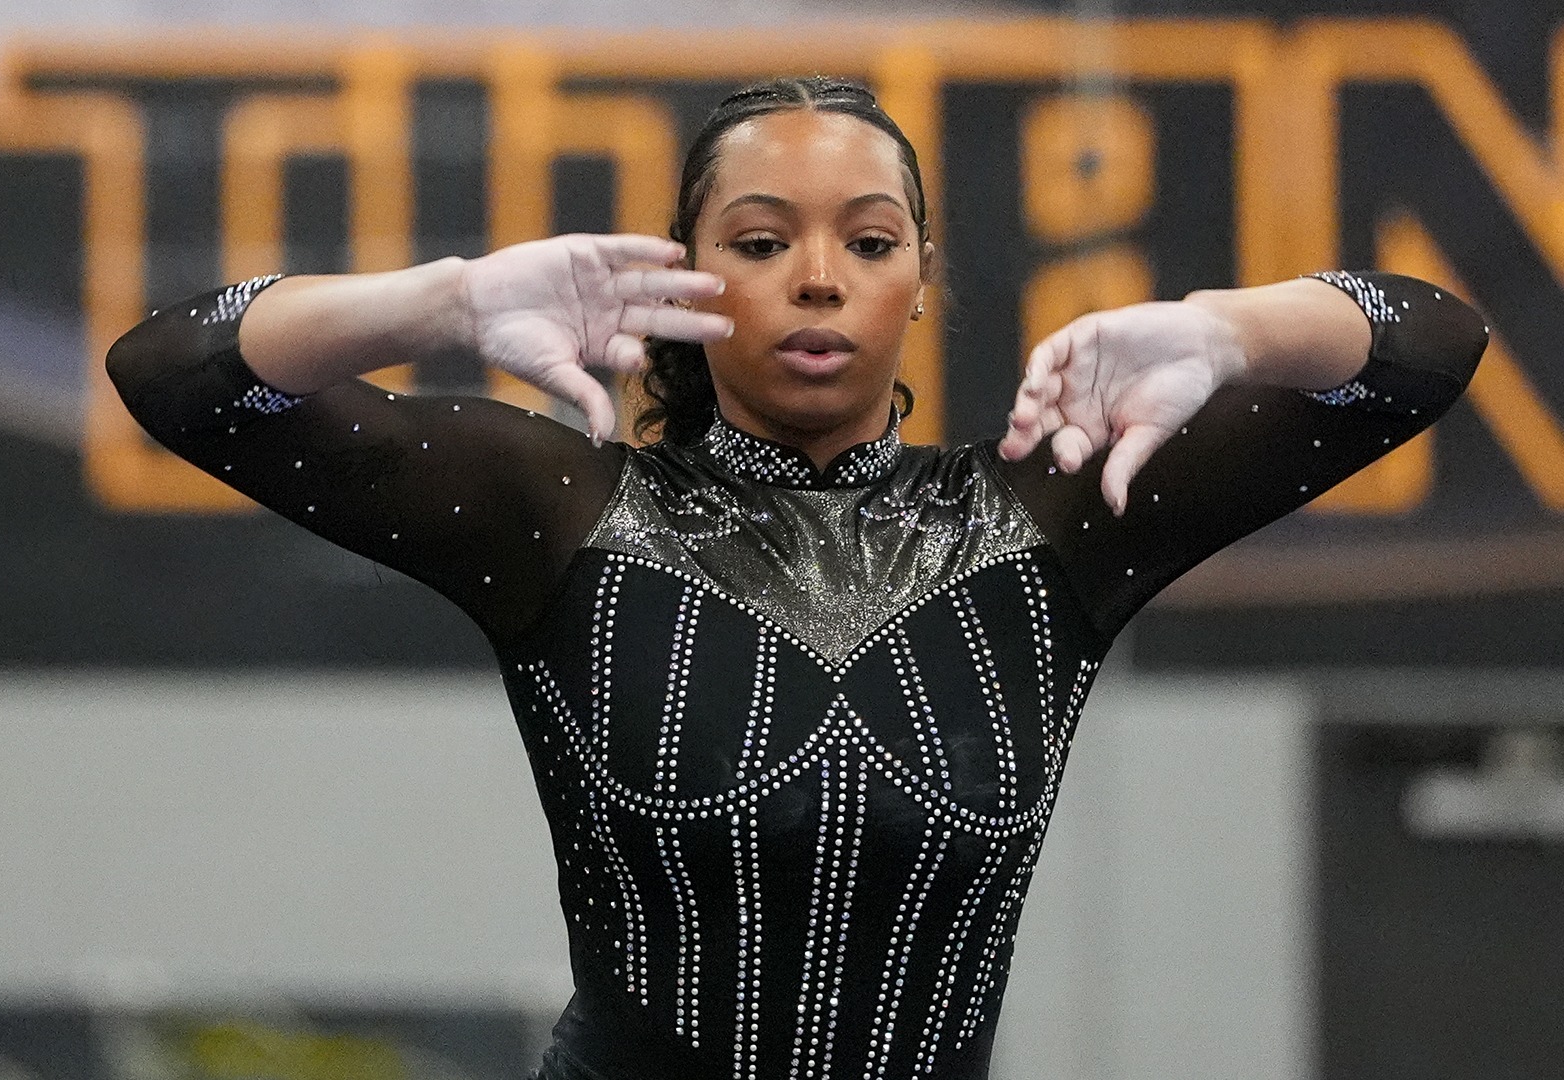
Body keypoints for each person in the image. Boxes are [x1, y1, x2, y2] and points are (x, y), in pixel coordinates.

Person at [107, 76, 1486, 1080]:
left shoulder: (1059, 511)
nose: (817, 280)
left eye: (869, 243)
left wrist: (1227, 328)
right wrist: (451, 301)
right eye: (760, 243)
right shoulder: (565, 505)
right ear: (687, 279)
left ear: (922, 281)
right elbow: (177, 374)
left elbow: (1426, 345)